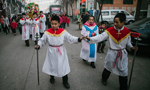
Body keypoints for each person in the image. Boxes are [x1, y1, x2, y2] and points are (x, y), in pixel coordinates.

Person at [85, 13, 138, 90]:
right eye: (114, 22)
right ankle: (104, 79)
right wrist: (90, 38)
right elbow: (100, 37)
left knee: (123, 70)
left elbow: (128, 44)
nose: (115, 24)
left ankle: (123, 87)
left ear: (123, 22)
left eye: (117, 22)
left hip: (122, 54)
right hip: (112, 53)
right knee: (108, 67)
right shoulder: (110, 30)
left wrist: (132, 48)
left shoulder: (127, 32)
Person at [34, 15, 84, 89]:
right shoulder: (47, 32)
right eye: (52, 24)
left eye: (55, 24)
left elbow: (71, 38)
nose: (53, 25)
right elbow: (42, 40)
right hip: (51, 51)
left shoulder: (63, 32)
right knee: (52, 65)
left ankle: (65, 80)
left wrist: (79, 39)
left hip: (61, 51)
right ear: (50, 23)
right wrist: (38, 45)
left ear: (59, 24)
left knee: (63, 66)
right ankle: (52, 77)